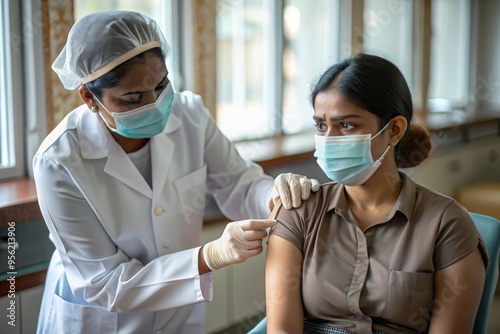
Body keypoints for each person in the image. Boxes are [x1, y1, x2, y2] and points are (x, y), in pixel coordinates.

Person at [33, 10, 319, 334]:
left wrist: (276, 193)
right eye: (133, 98)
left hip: (178, 318)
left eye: (161, 85)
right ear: (89, 97)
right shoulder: (58, 162)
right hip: (104, 320)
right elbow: (106, 283)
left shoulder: (190, 114)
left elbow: (239, 183)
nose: (155, 104)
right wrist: (209, 256)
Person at [265, 53, 489, 334]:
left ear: (394, 130)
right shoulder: (299, 211)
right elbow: (282, 329)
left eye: (346, 125)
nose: (328, 140)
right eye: (322, 125)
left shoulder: (447, 224)